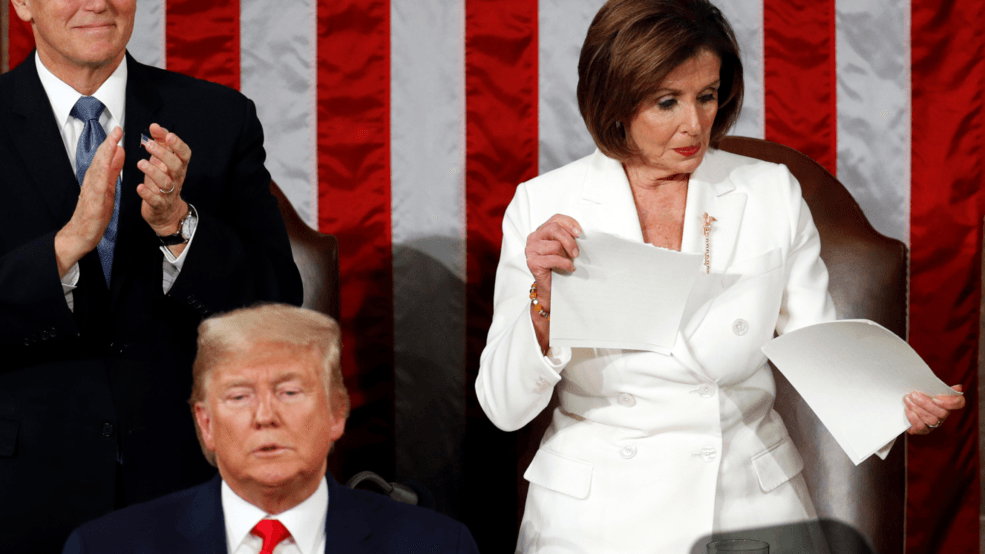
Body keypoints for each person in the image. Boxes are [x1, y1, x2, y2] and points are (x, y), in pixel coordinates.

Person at [474, 1, 965, 553]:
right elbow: (503, 406)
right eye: (667, 102)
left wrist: (895, 406)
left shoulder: (770, 191)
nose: (694, 124)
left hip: (748, 506)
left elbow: (820, 348)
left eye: (706, 96)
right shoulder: (544, 204)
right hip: (596, 518)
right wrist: (544, 305)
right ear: (614, 99)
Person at [0, 0, 303, 551]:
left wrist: (178, 226)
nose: (97, 2)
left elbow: (276, 302)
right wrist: (65, 248)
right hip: (22, 486)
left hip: (186, 476)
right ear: (22, 4)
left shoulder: (218, 117)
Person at [61, 304, 480, 554]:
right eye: (239, 396)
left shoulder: (437, 547)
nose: (265, 416)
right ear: (206, 424)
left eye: (289, 392)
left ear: (337, 413)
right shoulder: (105, 548)